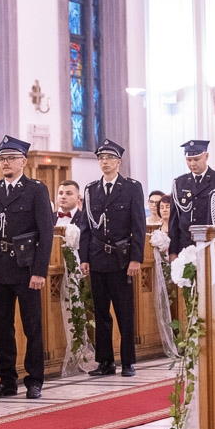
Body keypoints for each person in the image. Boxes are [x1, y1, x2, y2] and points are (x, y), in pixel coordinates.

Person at [0, 135, 54, 399]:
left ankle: (34, 380)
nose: (5, 163)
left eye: (10, 158)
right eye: (1, 159)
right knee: (1, 326)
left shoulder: (35, 189)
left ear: (23, 161)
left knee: (31, 326)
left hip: (26, 267)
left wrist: (39, 271)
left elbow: (46, 233)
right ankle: (6, 380)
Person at [79, 139, 145, 377]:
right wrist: (83, 257)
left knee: (124, 312)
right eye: (101, 158)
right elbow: (85, 226)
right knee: (101, 313)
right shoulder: (90, 189)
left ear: (119, 161)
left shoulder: (131, 188)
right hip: (97, 257)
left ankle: (127, 361)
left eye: (109, 158)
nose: (104, 162)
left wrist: (136, 258)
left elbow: (139, 225)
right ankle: (105, 361)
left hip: (121, 258)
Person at [168, 140, 215, 260]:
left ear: (206, 156)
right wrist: (173, 251)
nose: (192, 164)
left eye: (196, 159)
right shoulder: (180, 183)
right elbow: (174, 220)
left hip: (211, 242)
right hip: (185, 245)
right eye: (189, 160)